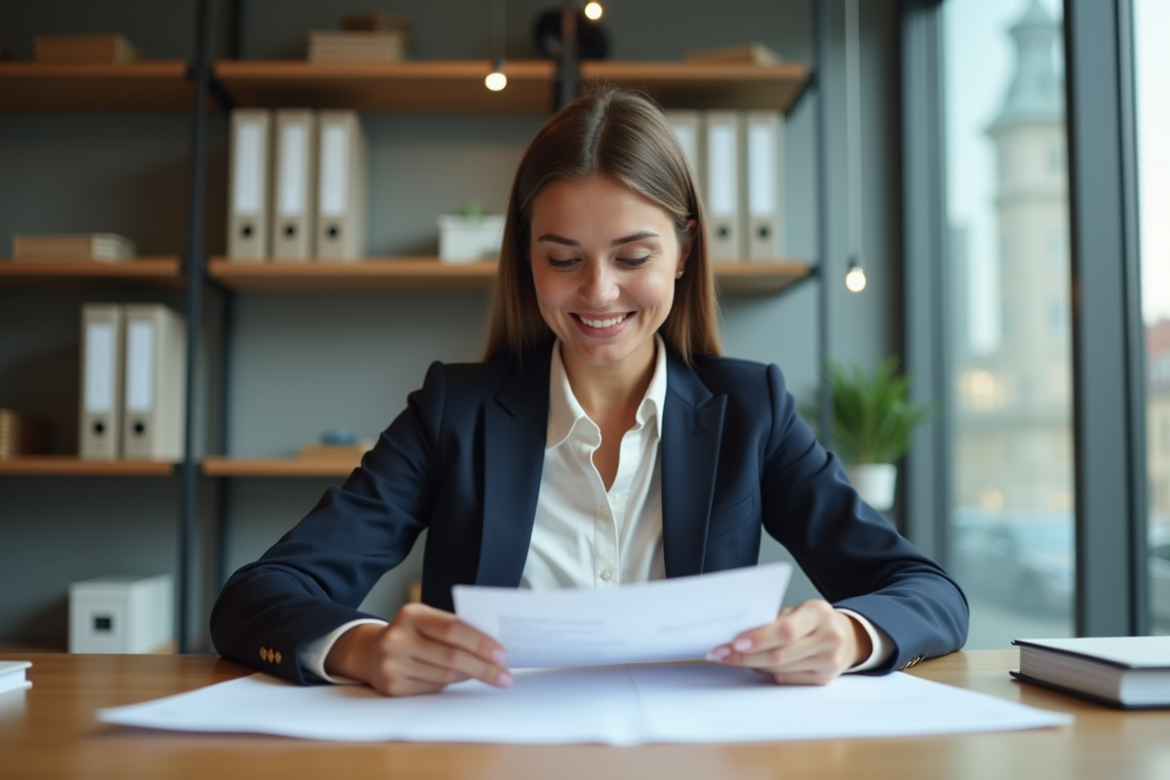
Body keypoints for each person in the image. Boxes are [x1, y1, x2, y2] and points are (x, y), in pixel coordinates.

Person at [210, 88, 968, 697]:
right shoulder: (455, 412)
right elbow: (257, 596)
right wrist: (364, 648)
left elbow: (926, 591)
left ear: (683, 252)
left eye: (632, 255)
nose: (598, 293)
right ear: (526, 259)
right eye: (562, 259)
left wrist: (848, 634)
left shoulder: (751, 412)